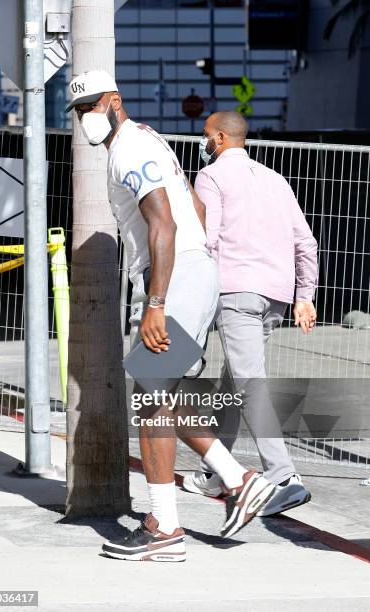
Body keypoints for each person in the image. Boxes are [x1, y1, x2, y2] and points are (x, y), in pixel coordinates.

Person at [66, 72, 275, 562]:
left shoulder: (129, 150)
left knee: (151, 404)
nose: (85, 119)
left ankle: (166, 530)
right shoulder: (147, 140)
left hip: (174, 280)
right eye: (78, 112)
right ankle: (237, 481)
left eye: (92, 107)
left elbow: (165, 222)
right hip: (190, 273)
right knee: (163, 400)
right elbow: (195, 209)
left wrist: (156, 303)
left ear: (114, 102)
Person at [183, 111, 318, 516]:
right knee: (235, 381)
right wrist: (304, 296)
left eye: (206, 135)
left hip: (235, 290)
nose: (203, 141)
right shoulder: (276, 180)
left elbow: (207, 239)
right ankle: (216, 473)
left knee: (249, 385)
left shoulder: (211, 177)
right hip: (274, 295)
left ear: (221, 138)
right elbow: (306, 242)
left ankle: (283, 476)